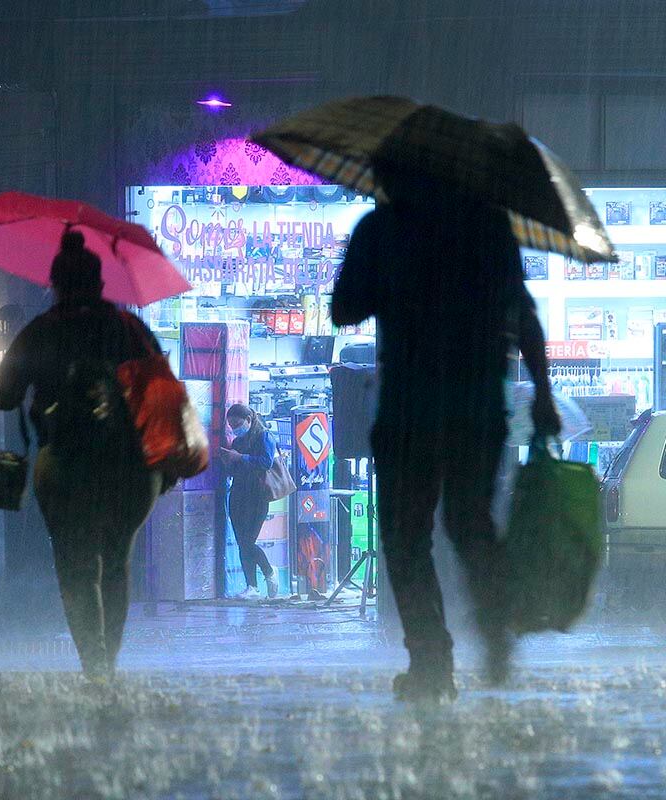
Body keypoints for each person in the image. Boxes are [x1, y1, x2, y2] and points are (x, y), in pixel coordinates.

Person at [331, 166, 561, 702]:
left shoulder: (380, 230)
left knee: (405, 536)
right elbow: (521, 312)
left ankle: (432, 661)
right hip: (476, 406)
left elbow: (344, 309)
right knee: (468, 521)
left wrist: (382, 277)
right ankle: (496, 612)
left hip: (409, 409)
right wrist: (544, 393)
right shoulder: (487, 228)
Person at [0, 230, 163, 683]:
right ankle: (111, 660)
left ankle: (93, 666)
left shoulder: (41, 330)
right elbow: (161, 394)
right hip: (127, 469)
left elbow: (3, 398)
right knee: (116, 563)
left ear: (54, 284)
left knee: (75, 567)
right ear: (101, 284)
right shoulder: (129, 329)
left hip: (65, 465)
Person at [219, 404, 280, 599]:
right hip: (238, 494)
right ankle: (251, 586)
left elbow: (266, 462)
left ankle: (269, 572)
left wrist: (241, 457)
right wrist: (228, 461)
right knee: (241, 542)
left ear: (248, 419)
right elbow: (234, 471)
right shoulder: (237, 441)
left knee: (248, 541)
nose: (235, 428)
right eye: (231, 425)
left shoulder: (264, 436)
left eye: (237, 424)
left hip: (257, 495)